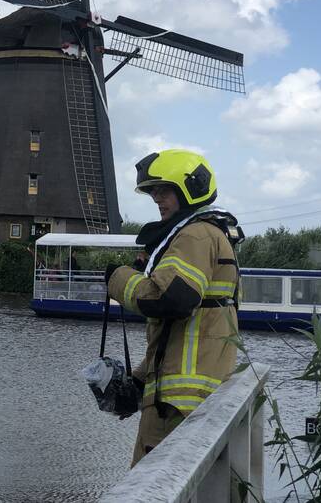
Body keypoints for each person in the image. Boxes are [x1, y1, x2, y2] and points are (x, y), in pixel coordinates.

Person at [105, 149, 243, 466]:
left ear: (190, 188)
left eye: (164, 189)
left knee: (150, 486)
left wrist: (118, 278)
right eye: (153, 190)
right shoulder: (210, 232)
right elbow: (189, 326)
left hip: (178, 404)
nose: (156, 197)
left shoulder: (194, 235)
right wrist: (140, 379)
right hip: (182, 395)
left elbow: (171, 301)